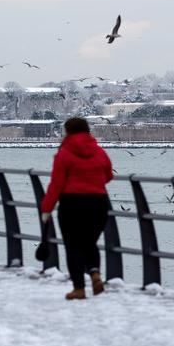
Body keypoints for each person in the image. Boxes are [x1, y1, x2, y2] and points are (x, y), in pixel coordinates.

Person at [40, 117, 113, 300]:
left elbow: (56, 184)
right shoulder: (99, 151)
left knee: (73, 246)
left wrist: (47, 209)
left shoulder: (64, 153)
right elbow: (108, 175)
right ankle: (95, 272)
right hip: (98, 203)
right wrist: (93, 184)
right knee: (89, 243)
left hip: (72, 204)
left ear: (68, 131)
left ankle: (79, 288)